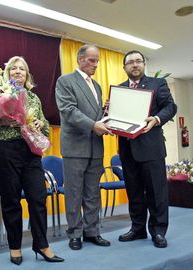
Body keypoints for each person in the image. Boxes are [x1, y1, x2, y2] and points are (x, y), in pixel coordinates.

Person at [0, 56, 64, 265]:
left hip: (30, 151)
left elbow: (44, 126)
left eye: (22, 69)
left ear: (27, 75)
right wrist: (2, 119)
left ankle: (41, 245)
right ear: (7, 73)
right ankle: (15, 246)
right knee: (11, 201)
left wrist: (36, 122)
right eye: (14, 69)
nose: (18, 72)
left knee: (38, 198)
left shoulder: (33, 98)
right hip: (4, 149)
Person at [116, 50, 177, 248]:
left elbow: (170, 106)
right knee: (134, 192)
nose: (135, 65)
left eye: (138, 61)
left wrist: (157, 119)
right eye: (130, 62)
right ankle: (137, 229)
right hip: (127, 149)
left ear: (143, 65)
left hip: (151, 148)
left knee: (156, 192)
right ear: (124, 67)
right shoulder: (120, 90)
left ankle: (158, 231)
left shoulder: (157, 84)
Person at [55, 44, 112, 251]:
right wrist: (94, 125)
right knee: (74, 192)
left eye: (97, 60)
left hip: (96, 148)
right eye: (92, 60)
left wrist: (107, 115)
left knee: (92, 193)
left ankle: (92, 231)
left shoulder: (96, 86)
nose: (96, 64)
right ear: (80, 59)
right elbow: (68, 111)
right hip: (74, 147)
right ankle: (75, 233)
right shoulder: (65, 81)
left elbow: (96, 116)